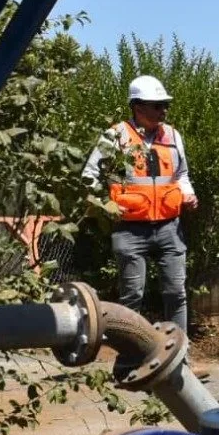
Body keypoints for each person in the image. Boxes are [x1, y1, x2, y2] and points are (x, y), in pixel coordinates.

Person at [83, 74, 198, 333]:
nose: (163, 110)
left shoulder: (172, 135)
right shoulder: (115, 136)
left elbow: (182, 175)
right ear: (137, 106)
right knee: (131, 297)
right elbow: (89, 176)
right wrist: (105, 206)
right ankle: (131, 359)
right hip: (129, 229)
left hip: (170, 227)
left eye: (165, 104)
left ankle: (178, 358)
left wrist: (188, 194)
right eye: (157, 105)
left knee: (176, 293)